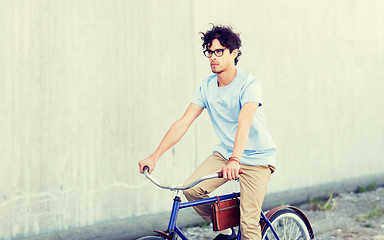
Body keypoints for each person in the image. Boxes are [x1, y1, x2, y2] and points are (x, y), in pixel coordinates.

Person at [138, 24, 276, 240]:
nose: (213, 57)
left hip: (257, 159)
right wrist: (154, 156)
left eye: (219, 51)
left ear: (234, 53)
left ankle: (243, 223)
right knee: (191, 190)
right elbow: (183, 122)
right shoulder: (207, 86)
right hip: (226, 154)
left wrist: (235, 160)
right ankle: (226, 230)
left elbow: (245, 121)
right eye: (209, 52)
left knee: (249, 224)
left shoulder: (249, 84)